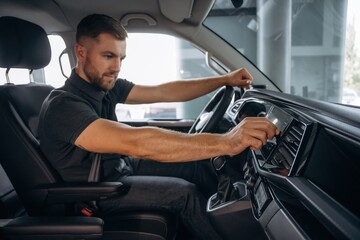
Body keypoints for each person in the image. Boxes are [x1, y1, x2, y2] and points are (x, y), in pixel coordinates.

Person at [38, 14, 279, 240]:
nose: (117, 67)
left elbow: (164, 91)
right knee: (184, 193)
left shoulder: (104, 87)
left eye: (121, 58)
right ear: (80, 52)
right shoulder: (64, 105)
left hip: (121, 168)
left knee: (198, 166)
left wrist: (224, 79)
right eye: (108, 56)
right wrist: (229, 141)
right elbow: (136, 142)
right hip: (95, 194)